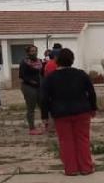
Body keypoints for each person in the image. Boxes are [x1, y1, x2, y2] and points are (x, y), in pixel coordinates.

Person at [40, 48, 97, 176]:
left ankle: (71, 169)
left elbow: (44, 98)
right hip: (82, 110)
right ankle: (86, 167)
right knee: (83, 139)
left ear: (57, 61)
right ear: (72, 60)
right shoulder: (81, 74)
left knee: (66, 141)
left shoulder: (50, 78)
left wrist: (45, 115)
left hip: (60, 113)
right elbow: (91, 93)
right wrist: (93, 108)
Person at [19, 45, 45, 135]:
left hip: (39, 87)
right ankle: (32, 128)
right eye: (32, 51)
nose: (34, 52)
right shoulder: (24, 62)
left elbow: (42, 73)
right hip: (28, 87)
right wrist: (32, 82)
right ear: (28, 52)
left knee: (43, 106)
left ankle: (46, 125)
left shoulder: (40, 61)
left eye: (35, 51)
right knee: (31, 108)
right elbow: (22, 76)